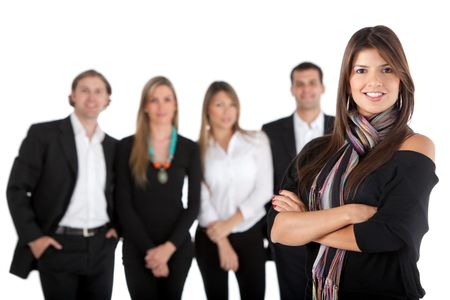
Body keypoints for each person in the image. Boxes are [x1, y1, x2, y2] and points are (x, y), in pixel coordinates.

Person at [268, 25, 438, 300]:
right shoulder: (316, 151)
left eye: (387, 69)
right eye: (361, 70)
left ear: (401, 79)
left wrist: (306, 225)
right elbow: (278, 229)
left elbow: (390, 233)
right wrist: (348, 214)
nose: (375, 82)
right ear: (347, 80)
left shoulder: (415, 145)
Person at [6, 69, 118, 300]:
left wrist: (118, 228)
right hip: (58, 245)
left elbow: (120, 194)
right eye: (84, 90)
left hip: (101, 247)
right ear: (72, 96)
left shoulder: (114, 147)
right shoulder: (43, 135)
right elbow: (17, 188)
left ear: (107, 100)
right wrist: (34, 238)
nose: (91, 97)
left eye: (98, 91)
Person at [114, 76, 200, 300]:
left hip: (176, 246)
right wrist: (152, 254)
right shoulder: (126, 147)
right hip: (137, 247)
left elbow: (194, 206)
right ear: (144, 106)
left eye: (167, 99)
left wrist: (167, 250)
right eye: (154, 100)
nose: (161, 106)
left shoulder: (189, 148)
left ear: (175, 105)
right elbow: (123, 205)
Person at [262, 62, 335, 300]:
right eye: (300, 84)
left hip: (333, 231)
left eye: (312, 83)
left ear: (322, 87)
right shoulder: (271, 131)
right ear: (292, 89)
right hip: (287, 233)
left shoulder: (341, 128)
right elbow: (264, 183)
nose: (306, 89)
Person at [195, 81, 273, 300]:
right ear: (207, 109)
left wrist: (229, 224)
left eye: (232, 104)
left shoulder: (257, 140)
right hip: (211, 237)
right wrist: (222, 240)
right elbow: (200, 199)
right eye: (219, 104)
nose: (227, 111)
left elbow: (264, 189)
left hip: (249, 233)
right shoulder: (197, 149)